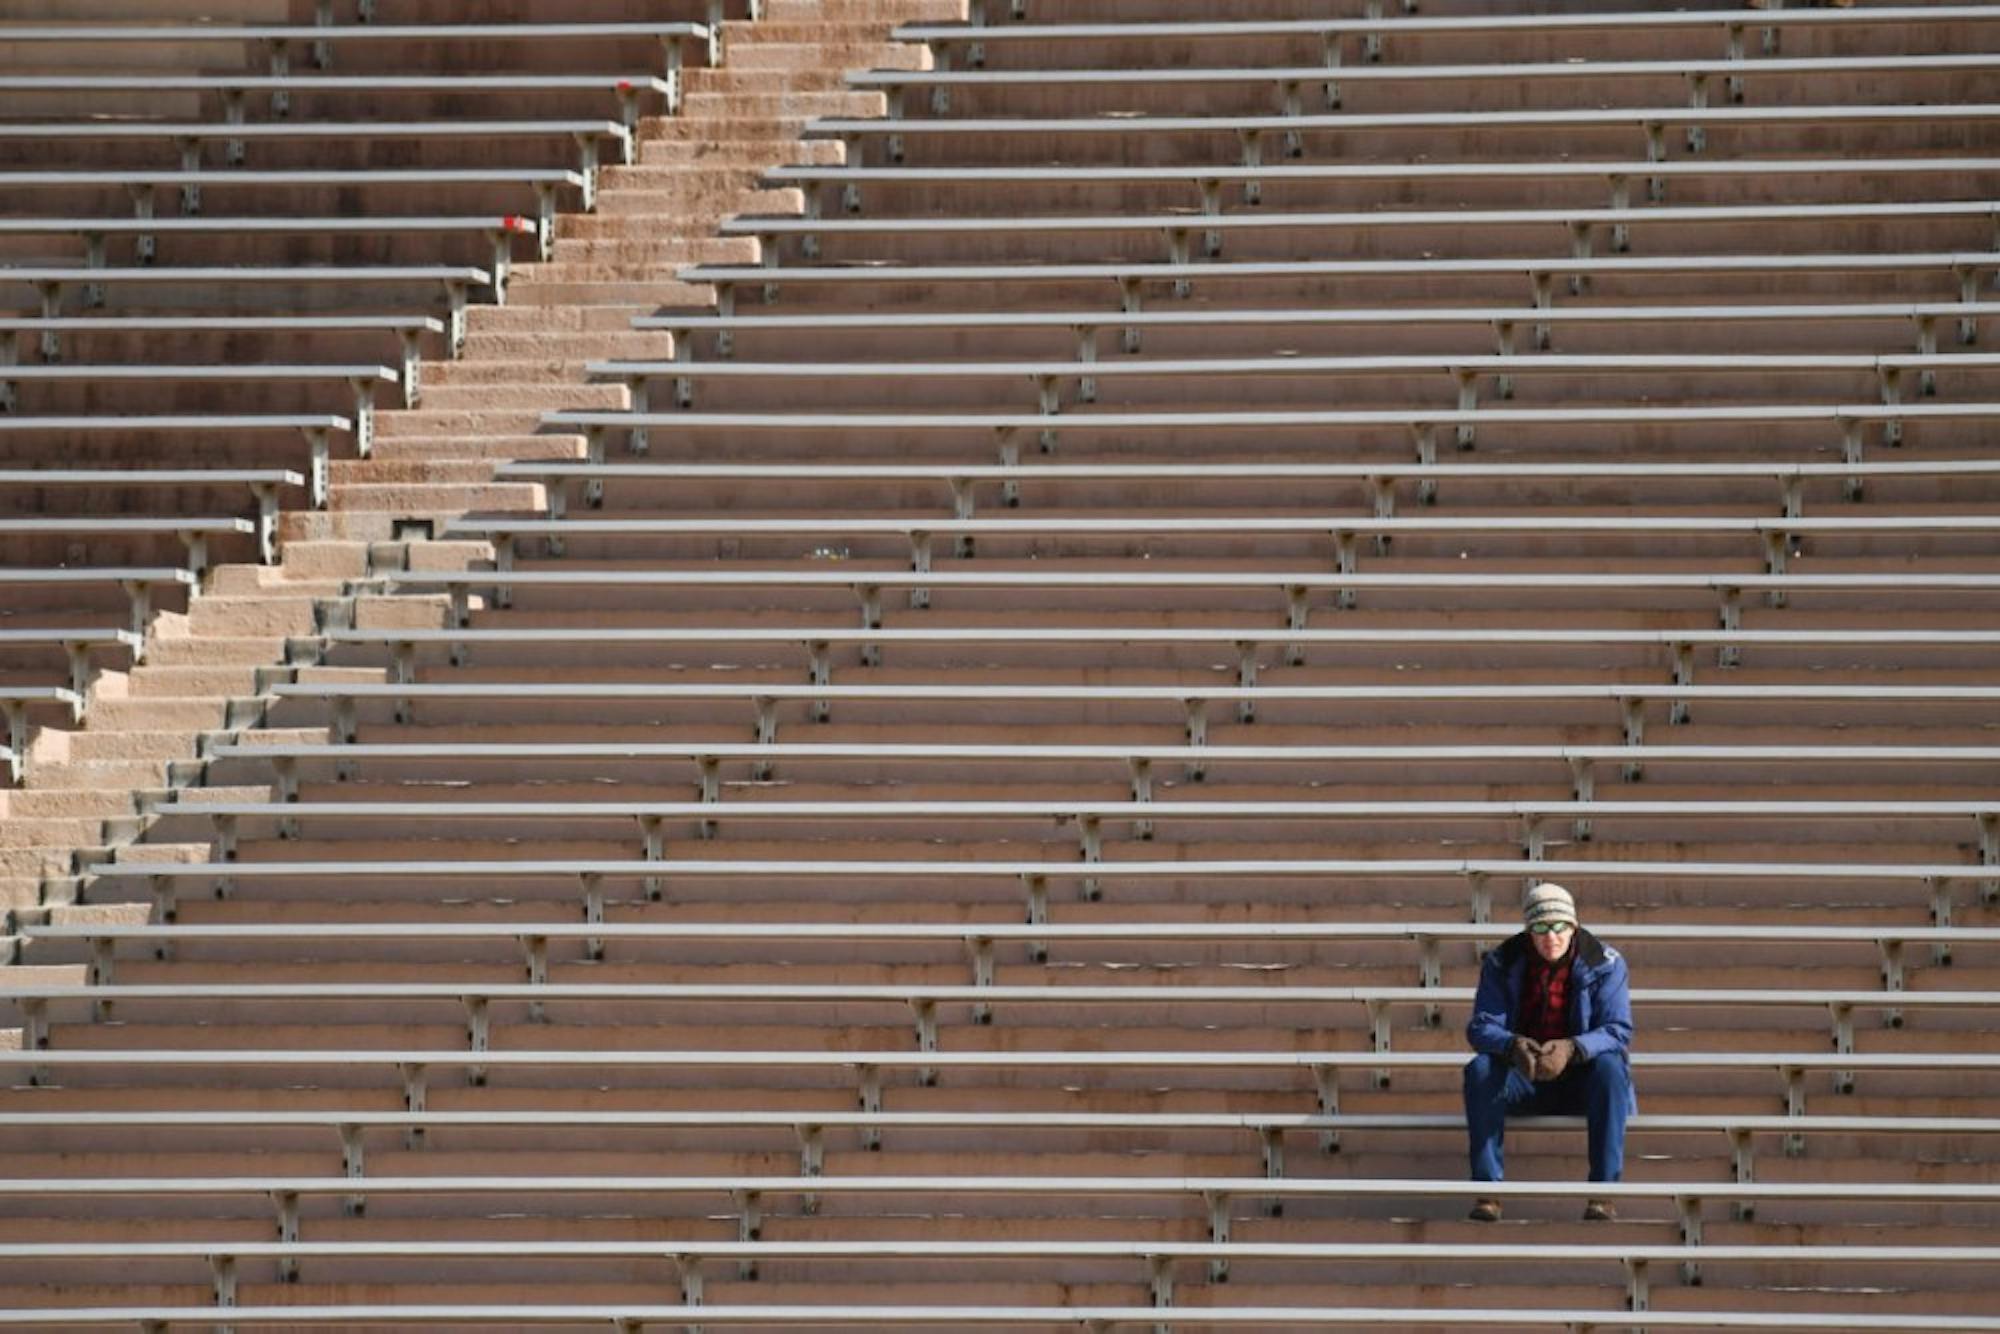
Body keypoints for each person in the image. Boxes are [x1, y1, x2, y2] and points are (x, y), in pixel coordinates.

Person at [1461, 881, 1634, 1222]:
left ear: (1574, 927)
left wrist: (1574, 1048)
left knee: (1612, 1070)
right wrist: (1511, 1045)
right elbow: (1481, 1026)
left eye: (1559, 926)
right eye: (1540, 927)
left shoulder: (1606, 963)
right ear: (1528, 931)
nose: (1550, 936)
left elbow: (1618, 1029)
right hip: (1523, 1077)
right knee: (1480, 1070)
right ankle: (1488, 1193)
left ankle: (1602, 1194)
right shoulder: (1501, 961)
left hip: (1582, 1079)